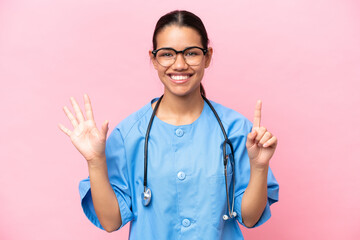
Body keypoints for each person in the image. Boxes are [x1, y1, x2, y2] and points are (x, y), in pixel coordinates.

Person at [59, 10, 279, 240]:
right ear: (153, 59)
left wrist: (259, 167)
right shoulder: (129, 134)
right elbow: (111, 221)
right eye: (167, 54)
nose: (180, 64)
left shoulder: (236, 130)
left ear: (208, 56)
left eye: (191, 53)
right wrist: (95, 161)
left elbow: (250, 218)